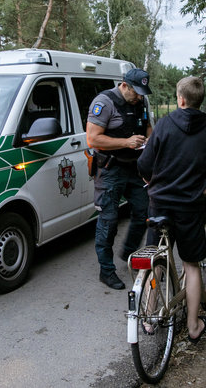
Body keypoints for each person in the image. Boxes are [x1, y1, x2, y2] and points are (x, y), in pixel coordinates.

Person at [138, 76, 206, 343]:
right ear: (200, 101)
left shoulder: (164, 124)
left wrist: (152, 179)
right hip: (191, 208)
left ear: (180, 99)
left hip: (159, 204)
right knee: (191, 265)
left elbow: (144, 165)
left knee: (155, 261)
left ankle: (148, 318)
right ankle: (193, 326)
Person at [86, 68, 153, 290]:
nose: (140, 97)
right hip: (110, 169)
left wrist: (151, 143)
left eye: (143, 93)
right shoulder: (104, 102)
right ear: (124, 85)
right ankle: (106, 271)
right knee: (109, 220)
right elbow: (93, 139)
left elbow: (148, 128)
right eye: (136, 92)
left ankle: (129, 254)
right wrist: (126, 142)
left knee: (144, 212)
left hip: (134, 168)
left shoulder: (140, 102)